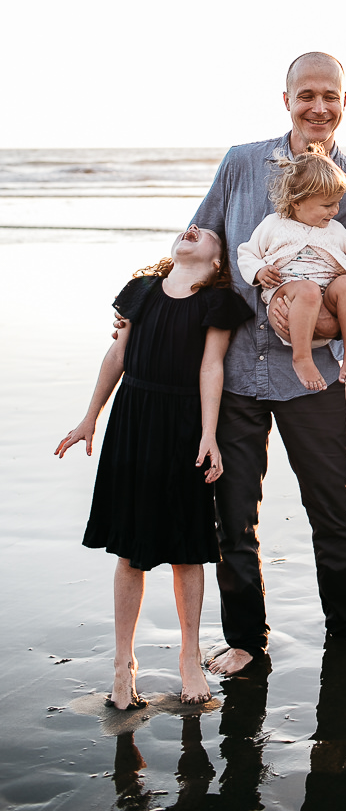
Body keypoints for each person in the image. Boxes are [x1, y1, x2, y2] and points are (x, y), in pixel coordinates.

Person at [187, 51, 346, 674]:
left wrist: (319, 319)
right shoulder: (242, 163)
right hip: (236, 371)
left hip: (316, 377)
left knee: (332, 502)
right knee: (234, 512)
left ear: (344, 103)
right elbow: (201, 245)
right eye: (307, 94)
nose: (319, 107)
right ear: (287, 100)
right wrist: (142, 301)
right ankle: (246, 637)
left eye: (330, 95)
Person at [55, 226, 252, 709]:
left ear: (216, 261)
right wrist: (89, 417)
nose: (194, 231)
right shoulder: (140, 291)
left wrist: (209, 433)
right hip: (134, 418)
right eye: (189, 229)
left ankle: (189, 656)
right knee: (130, 549)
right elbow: (117, 355)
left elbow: (212, 366)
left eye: (206, 233)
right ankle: (123, 663)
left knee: (187, 547)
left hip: (185, 422)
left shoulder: (218, 301)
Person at [237, 147, 346, 392]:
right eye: (327, 205)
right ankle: (301, 358)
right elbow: (247, 253)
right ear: (297, 202)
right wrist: (259, 271)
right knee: (308, 290)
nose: (335, 212)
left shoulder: (336, 231)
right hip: (288, 297)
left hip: (328, 301)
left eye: (337, 204)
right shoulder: (273, 225)